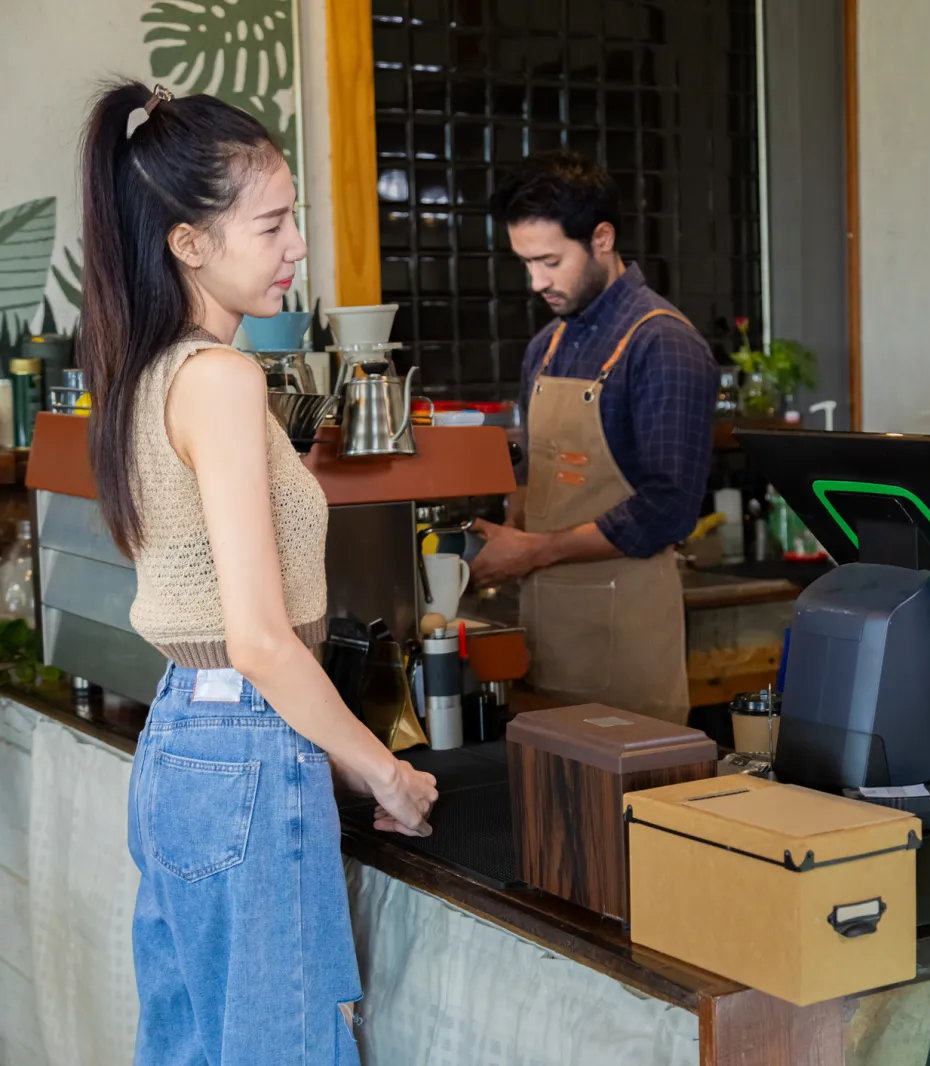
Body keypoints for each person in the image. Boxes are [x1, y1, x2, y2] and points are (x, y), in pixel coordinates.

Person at [78, 82, 438, 1064]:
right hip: (243, 742)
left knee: (195, 1043)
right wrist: (386, 771)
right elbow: (261, 639)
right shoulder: (223, 380)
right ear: (189, 242)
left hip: (181, 742)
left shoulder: (144, 373)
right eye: (272, 225)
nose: (296, 250)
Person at [469, 151, 718, 725]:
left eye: (551, 261)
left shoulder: (663, 345)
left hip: (625, 649)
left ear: (602, 237)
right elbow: (534, 472)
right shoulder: (547, 346)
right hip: (545, 636)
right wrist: (508, 535)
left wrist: (534, 550)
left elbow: (667, 509)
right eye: (526, 263)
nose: (536, 282)